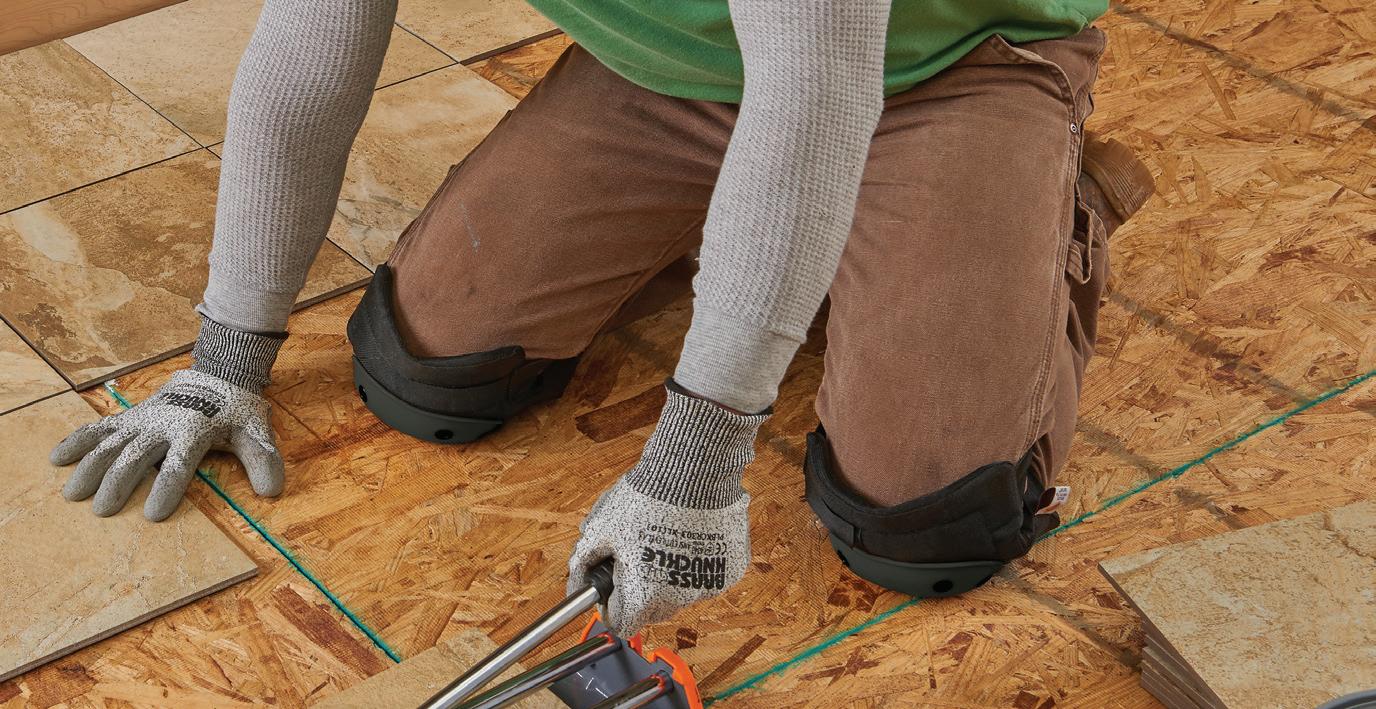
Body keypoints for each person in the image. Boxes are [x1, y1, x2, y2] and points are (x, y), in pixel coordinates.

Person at [49, 0, 1154, 636]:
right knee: (425, 368)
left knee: (928, 521)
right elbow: (307, 51)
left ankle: (1033, 199)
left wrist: (694, 459)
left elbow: (816, 90)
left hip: (949, 65)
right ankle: (762, 234)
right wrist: (225, 358)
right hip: (682, 66)